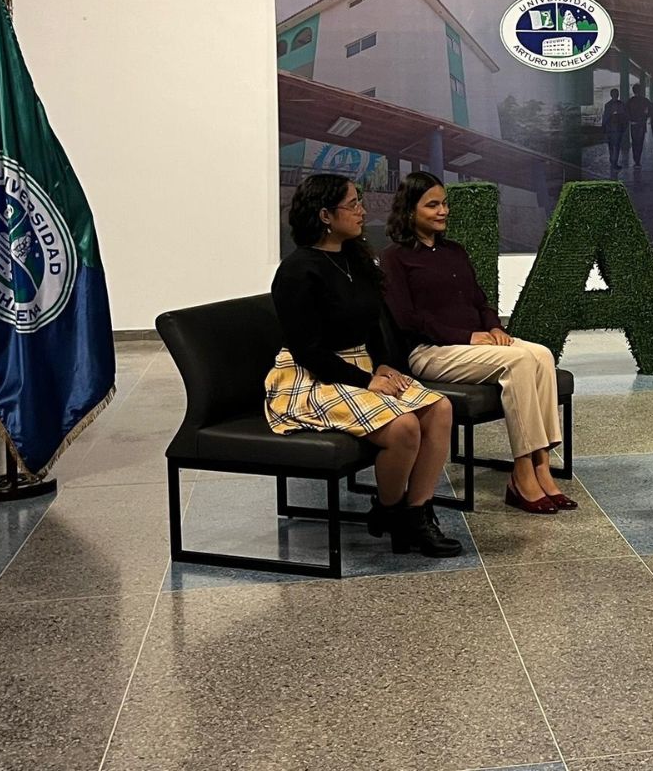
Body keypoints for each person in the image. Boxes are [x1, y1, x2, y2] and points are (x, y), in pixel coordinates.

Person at [266, 173, 461, 557]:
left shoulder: (357, 258)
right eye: (352, 204)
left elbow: (375, 323)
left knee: (439, 408)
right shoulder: (296, 271)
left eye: (360, 201)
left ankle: (417, 511)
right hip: (310, 376)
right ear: (325, 215)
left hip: (358, 367)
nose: (362, 210)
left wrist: (384, 366)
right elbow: (309, 351)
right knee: (404, 426)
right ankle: (391, 512)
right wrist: (366, 380)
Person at [381, 172, 574, 514]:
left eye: (444, 203)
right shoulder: (395, 258)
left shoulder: (455, 251)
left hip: (475, 347)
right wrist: (467, 337)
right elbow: (407, 319)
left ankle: (541, 465)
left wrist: (493, 327)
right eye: (433, 205)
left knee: (541, 354)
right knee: (518, 361)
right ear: (410, 211)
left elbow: (478, 300)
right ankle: (522, 472)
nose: (443, 211)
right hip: (430, 352)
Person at [601, 87, 626, 171]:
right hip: (618, 128)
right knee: (617, 146)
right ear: (617, 95)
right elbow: (624, 117)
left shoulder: (607, 105)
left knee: (611, 146)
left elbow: (605, 117)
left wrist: (603, 127)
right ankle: (614, 162)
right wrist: (624, 127)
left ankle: (612, 160)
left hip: (609, 128)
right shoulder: (621, 104)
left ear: (611, 95)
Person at [627, 84, 650, 167]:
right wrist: (645, 117)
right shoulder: (645, 100)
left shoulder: (630, 101)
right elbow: (649, 112)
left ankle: (635, 158)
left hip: (633, 124)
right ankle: (638, 161)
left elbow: (627, 112)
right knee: (640, 142)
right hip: (641, 124)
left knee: (634, 142)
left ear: (633, 91)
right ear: (640, 90)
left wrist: (631, 120)